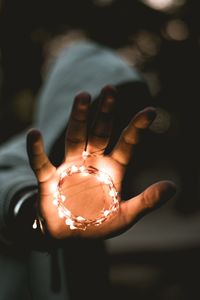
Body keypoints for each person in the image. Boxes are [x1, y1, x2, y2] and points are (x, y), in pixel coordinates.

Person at [0, 40, 176, 300]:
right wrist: (35, 215)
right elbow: (8, 190)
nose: (110, 134)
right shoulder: (17, 156)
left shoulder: (96, 199)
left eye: (125, 116)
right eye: (99, 114)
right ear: (62, 108)